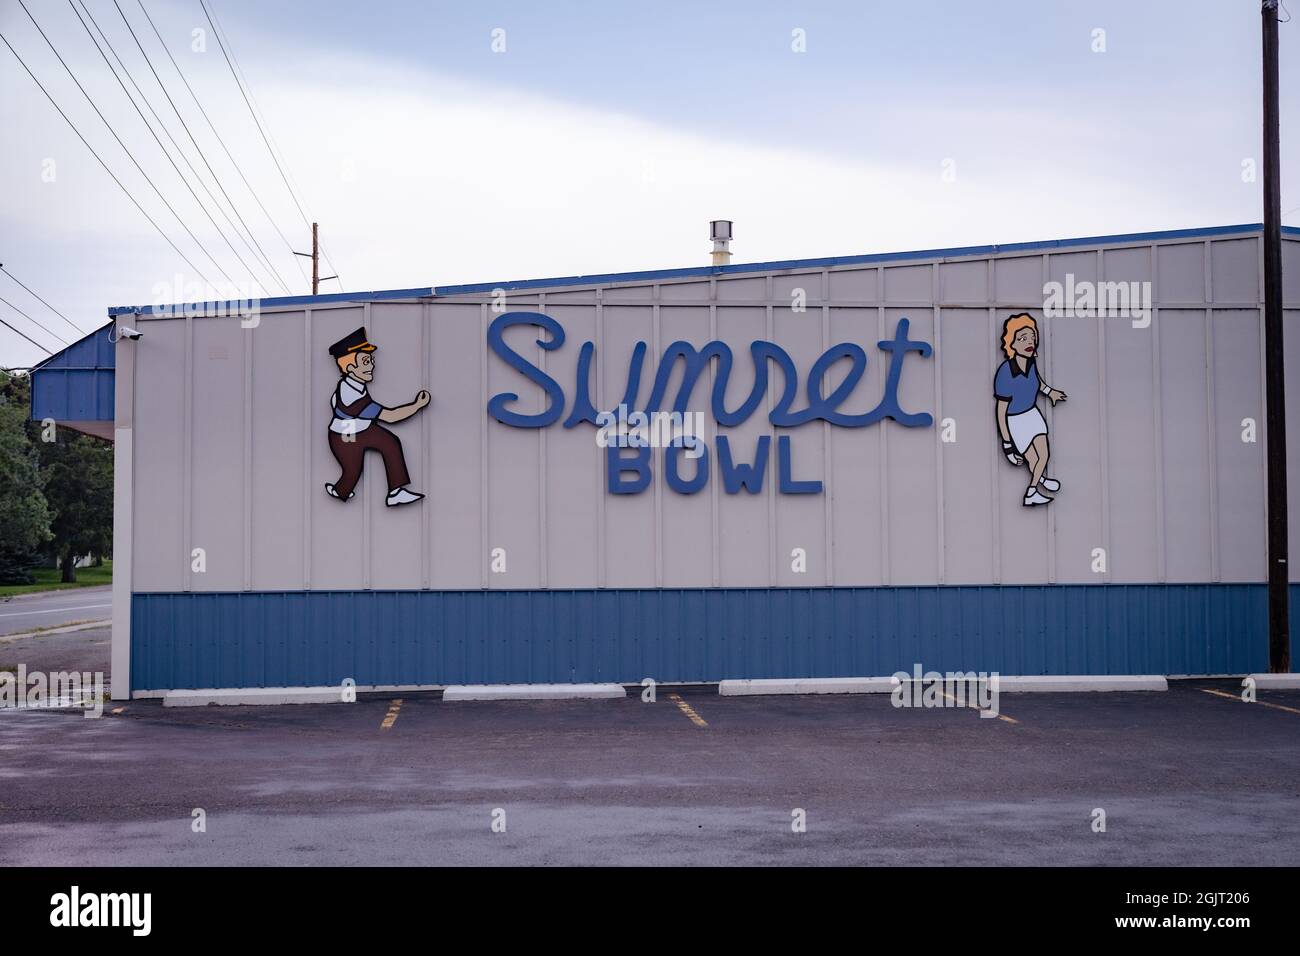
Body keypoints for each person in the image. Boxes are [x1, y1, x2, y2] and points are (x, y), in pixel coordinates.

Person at [325, 327, 430, 506]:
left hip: (361, 429)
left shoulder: (351, 385)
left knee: (390, 443)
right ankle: (339, 491)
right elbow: (390, 416)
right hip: (345, 437)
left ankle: (395, 492)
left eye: (371, 360)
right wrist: (417, 405)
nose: (372, 365)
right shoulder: (353, 396)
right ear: (350, 367)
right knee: (352, 471)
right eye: (365, 361)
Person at [993, 313, 1066, 507]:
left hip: (1032, 414)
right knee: (1034, 459)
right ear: (1012, 344)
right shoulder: (1006, 372)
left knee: (1043, 455)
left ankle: (1034, 488)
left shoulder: (1031, 364)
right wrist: (1007, 445)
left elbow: (1038, 383)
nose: (1029, 342)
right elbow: (1001, 410)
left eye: (1032, 337)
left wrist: (1050, 392)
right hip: (1015, 420)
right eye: (1022, 338)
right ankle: (1038, 485)